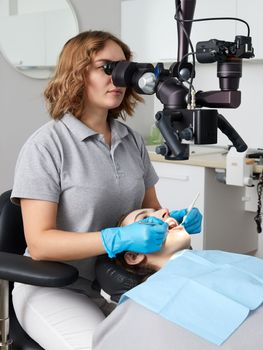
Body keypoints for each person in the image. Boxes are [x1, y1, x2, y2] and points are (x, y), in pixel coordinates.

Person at [10, 30, 202, 349]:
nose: (120, 78)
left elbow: (150, 207)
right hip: (50, 288)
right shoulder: (46, 145)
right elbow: (40, 244)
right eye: (107, 68)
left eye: (125, 68)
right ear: (77, 74)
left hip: (108, 285)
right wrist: (116, 238)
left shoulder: (131, 140)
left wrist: (172, 219)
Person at [93, 208, 263, 350]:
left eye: (158, 211)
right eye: (145, 219)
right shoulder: (144, 306)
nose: (165, 210)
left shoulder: (218, 260)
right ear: (133, 256)